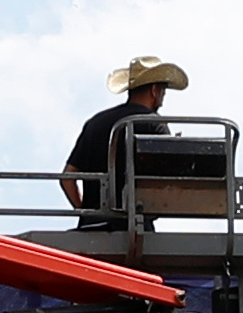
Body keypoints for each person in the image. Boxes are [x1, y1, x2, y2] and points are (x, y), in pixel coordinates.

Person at [62, 55, 184, 215]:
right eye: (163, 91)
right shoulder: (154, 124)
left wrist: (86, 212)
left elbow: (67, 178)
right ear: (155, 90)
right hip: (135, 225)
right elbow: (166, 181)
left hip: (92, 227)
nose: (163, 97)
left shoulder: (95, 122)